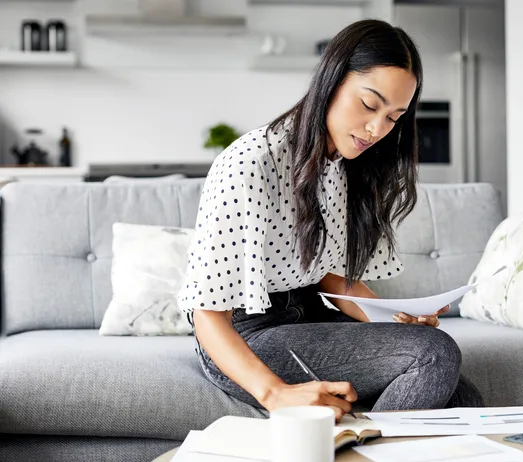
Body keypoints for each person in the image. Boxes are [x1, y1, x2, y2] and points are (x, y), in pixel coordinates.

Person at [177, 19, 484, 422]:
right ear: (332, 81)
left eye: (394, 117)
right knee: (435, 355)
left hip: (308, 317)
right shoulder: (250, 163)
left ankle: (357, 441)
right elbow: (207, 314)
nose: (378, 129)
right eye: (369, 105)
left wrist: (397, 320)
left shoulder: (344, 163)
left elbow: (332, 278)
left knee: (463, 397)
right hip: (243, 338)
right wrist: (275, 394)